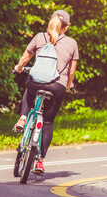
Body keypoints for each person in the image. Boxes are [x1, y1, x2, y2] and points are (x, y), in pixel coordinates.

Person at [13, 10, 79, 173]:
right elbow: (71, 72)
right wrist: (68, 86)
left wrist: (18, 68)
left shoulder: (40, 37)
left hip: (36, 83)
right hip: (57, 87)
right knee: (48, 123)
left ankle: (22, 118)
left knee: (30, 86)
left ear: (51, 22)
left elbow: (25, 58)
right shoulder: (72, 43)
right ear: (67, 27)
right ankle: (40, 161)